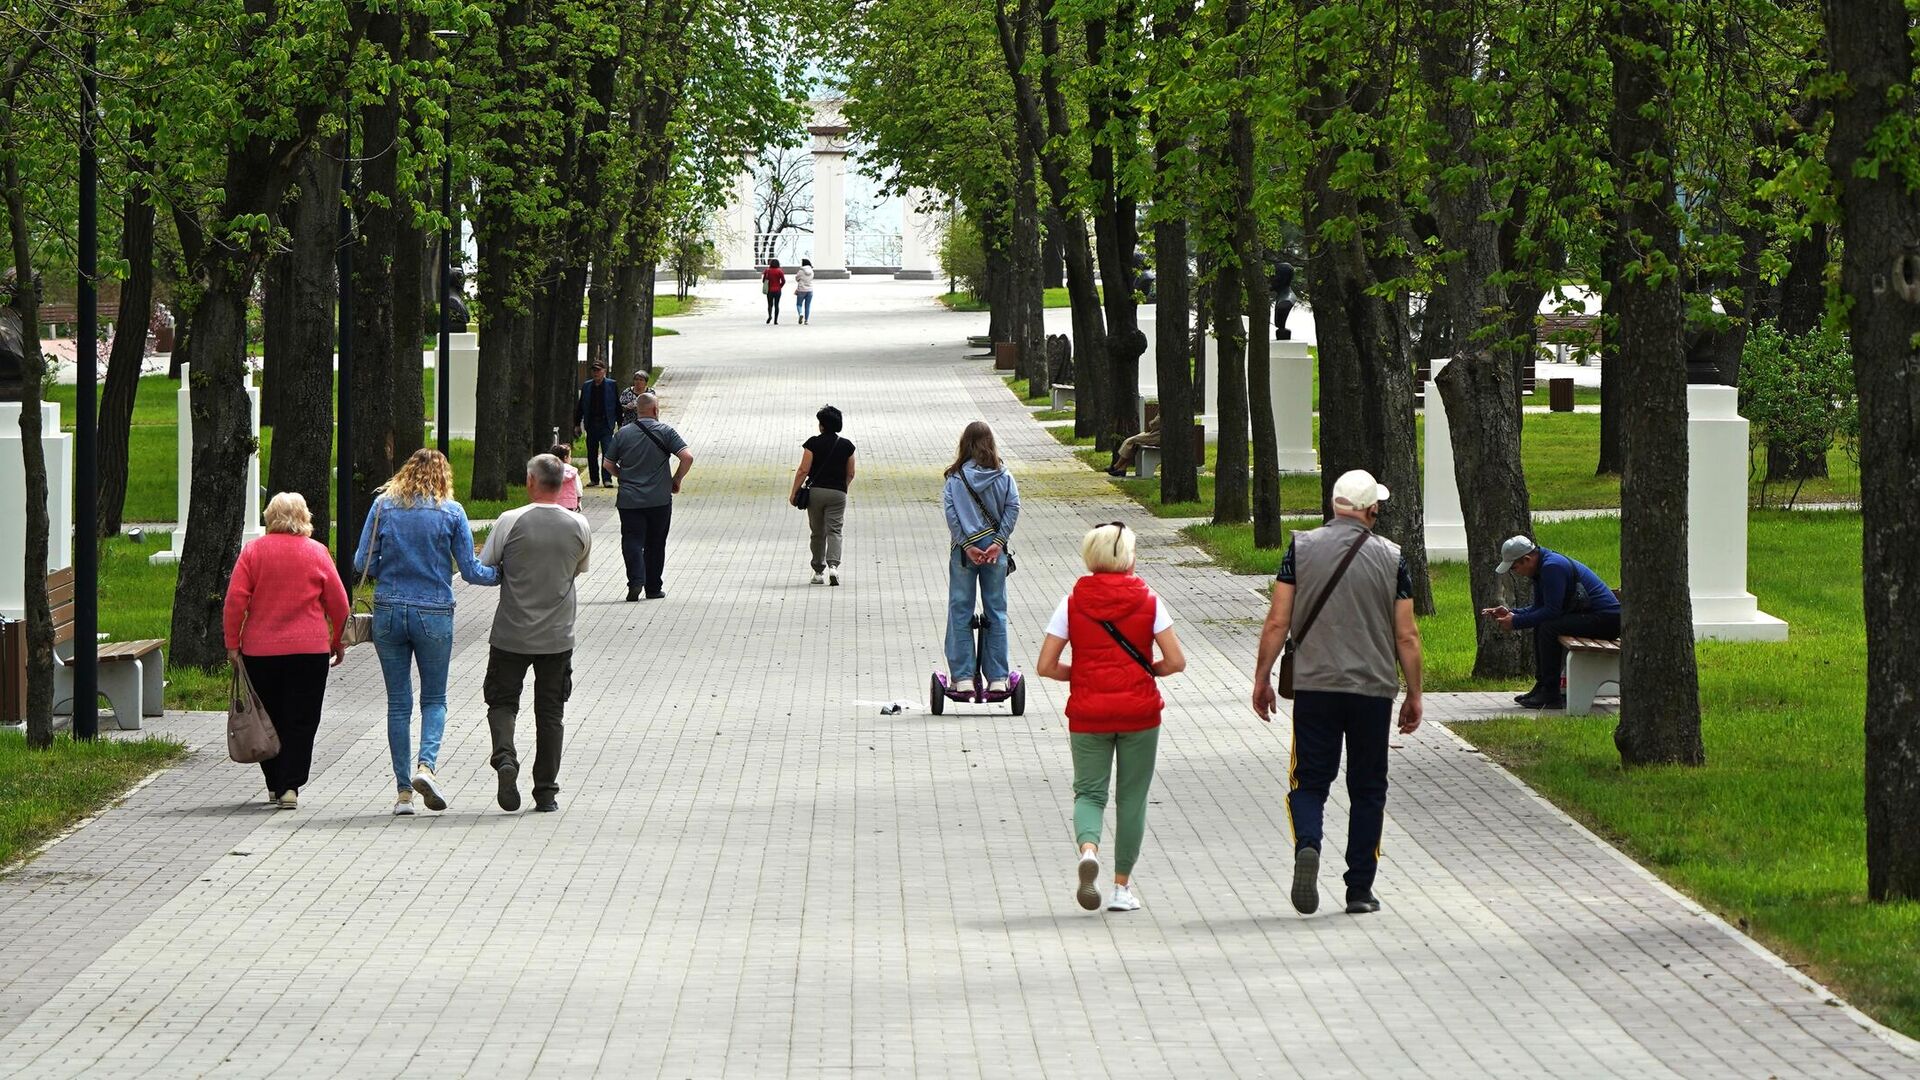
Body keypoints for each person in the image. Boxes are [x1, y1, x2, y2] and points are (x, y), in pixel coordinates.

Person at [1251, 469, 1424, 916]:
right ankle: (1359, 891)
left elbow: (1277, 621)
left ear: (1333, 505)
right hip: (1372, 689)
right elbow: (1406, 636)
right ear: (1371, 510)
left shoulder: (1300, 548)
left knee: (1309, 781)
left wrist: (1262, 678)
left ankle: (1308, 845)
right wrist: (1415, 694)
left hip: (1315, 686)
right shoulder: (1393, 558)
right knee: (1368, 787)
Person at [1036, 523, 1187, 913]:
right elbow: (1176, 661)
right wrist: (1147, 670)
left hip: (1088, 713)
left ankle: (1089, 851)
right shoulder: (1150, 601)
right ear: (1128, 558)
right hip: (1140, 713)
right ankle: (1122, 889)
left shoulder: (1071, 603)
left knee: (1089, 793)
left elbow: (1045, 666)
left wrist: (1082, 673)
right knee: (1131, 799)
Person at [354, 448, 499, 817]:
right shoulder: (451, 512)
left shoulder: (383, 506)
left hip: (388, 611)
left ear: (405, 473)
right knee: (434, 698)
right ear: (443, 477)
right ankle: (426, 767)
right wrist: (503, 574)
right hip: (433, 612)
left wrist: (394, 566)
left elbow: (360, 562)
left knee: (398, 702)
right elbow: (469, 570)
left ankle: (403, 793)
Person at [480, 454, 593, 814]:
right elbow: (577, 569)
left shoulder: (510, 521)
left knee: (501, 701)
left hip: (511, 632)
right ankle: (545, 791)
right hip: (557, 636)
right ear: (562, 484)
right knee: (550, 713)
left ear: (530, 481)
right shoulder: (579, 525)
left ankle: (505, 757)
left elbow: (487, 564)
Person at [223, 492, 350, 810]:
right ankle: (290, 785)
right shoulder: (317, 553)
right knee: (303, 719)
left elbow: (235, 600)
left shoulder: (253, 552)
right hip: (309, 652)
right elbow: (339, 603)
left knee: (268, 717)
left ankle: (273, 782)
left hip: (260, 652)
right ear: (304, 517)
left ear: (270, 517)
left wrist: (232, 645)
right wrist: (338, 641)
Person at [1482, 535, 1621, 710]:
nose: (1515, 572)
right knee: (1544, 624)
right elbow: (1540, 608)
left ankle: (1550, 693)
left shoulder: (1551, 567)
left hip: (1607, 621)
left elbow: (1551, 612)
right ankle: (1542, 686)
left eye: (1515, 568)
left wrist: (1515, 622)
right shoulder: (1541, 568)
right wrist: (1511, 613)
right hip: (1594, 617)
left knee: (1548, 627)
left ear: (1527, 559)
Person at [942, 421, 1020, 697]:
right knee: (996, 611)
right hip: (995, 551)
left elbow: (952, 516)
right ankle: (998, 677)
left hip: (965, 552)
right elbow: (1013, 507)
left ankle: (963, 677)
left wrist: (966, 545)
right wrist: (998, 542)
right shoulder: (1003, 476)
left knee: (960, 609)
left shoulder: (955, 478)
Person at [603, 391, 693, 601]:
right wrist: (676, 480)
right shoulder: (666, 431)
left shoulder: (622, 434)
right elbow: (687, 457)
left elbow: (607, 464)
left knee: (632, 540)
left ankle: (635, 580)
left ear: (636, 410)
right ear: (655, 410)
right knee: (656, 542)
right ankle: (653, 588)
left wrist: (623, 476)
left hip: (629, 499)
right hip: (659, 500)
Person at [789, 404, 856, 585]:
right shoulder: (847, 446)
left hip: (816, 493)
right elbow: (850, 473)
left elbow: (804, 469)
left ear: (822, 425)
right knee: (835, 530)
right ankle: (833, 566)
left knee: (817, 532)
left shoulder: (813, 443)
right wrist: (842, 489)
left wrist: (794, 492)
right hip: (838, 493)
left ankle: (818, 571)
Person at [574, 361, 620, 487]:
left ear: (604, 371)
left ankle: (607, 479)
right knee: (592, 453)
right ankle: (594, 479)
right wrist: (577, 424)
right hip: (592, 424)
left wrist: (620, 424)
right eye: (594, 370)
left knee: (607, 451)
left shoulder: (612, 384)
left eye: (598, 370)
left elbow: (617, 405)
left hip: (606, 424)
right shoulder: (587, 386)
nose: (596, 373)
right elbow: (581, 406)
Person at [551, 442, 585, 512]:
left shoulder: (550, 471)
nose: (571, 458)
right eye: (570, 456)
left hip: (554, 502)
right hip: (569, 503)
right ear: (565, 457)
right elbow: (578, 488)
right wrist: (578, 499)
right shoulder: (572, 471)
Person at [762, 258, 786, 324]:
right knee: (776, 305)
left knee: (770, 304)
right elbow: (783, 281)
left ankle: (770, 316)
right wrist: (780, 286)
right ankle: (776, 321)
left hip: (769, 290)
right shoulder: (780, 271)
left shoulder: (767, 270)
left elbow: (763, 281)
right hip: (778, 290)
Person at [793, 258, 816, 324]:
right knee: (807, 306)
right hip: (810, 290)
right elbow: (811, 278)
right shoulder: (811, 271)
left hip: (801, 290)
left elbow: (797, 278)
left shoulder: (801, 271)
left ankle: (800, 314)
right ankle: (806, 320)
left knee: (799, 304)